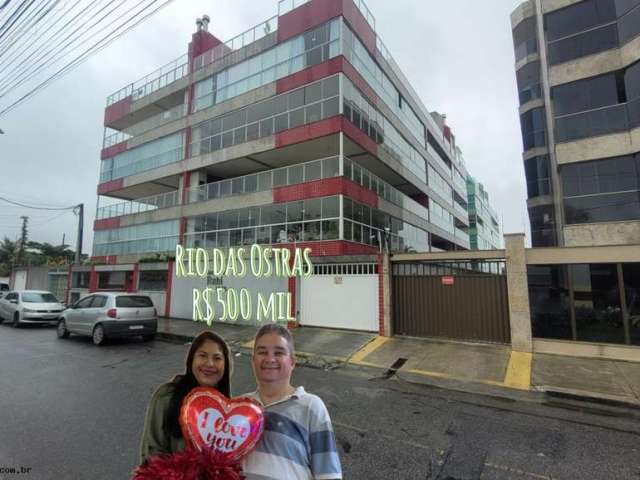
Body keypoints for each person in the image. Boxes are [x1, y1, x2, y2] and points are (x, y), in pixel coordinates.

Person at [242, 324, 342, 480]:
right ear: (253, 360)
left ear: (292, 362)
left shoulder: (311, 406)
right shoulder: (240, 405)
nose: (270, 358)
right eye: (262, 352)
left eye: (279, 352)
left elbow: (328, 474)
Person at [138, 330, 232, 465]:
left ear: (225, 365)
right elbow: (152, 451)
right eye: (202, 355)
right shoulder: (167, 396)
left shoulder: (229, 410)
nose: (210, 364)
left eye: (217, 358)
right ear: (191, 360)